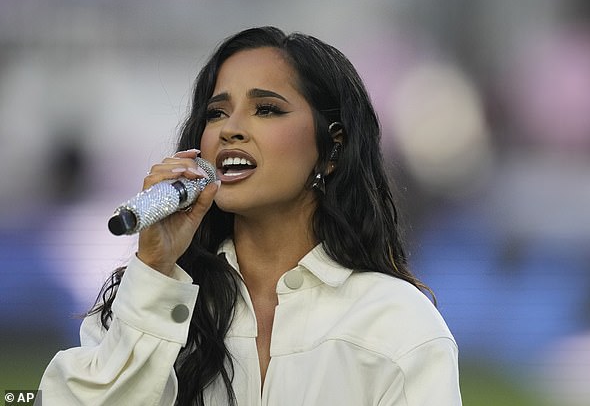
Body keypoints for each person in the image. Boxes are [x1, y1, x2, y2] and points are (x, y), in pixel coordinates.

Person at [39, 26, 462, 405]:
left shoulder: (396, 322)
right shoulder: (151, 298)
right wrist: (153, 268)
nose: (230, 129)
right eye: (216, 113)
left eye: (267, 109)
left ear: (333, 148)